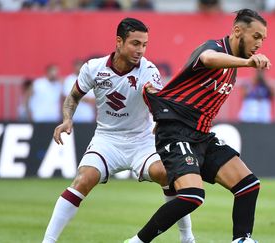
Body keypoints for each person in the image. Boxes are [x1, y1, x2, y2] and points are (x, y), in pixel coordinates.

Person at [42, 18, 195, 243]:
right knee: (83, 179)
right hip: (107, 139)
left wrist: (160, 118)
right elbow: (74, 96)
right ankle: (48, 241)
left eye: (144, 44)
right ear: (119, 42)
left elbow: (161, 105)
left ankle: (187, 238)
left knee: (166, 174)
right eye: (135, 43)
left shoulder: (149, 71)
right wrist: (67, 119)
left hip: (141, 140)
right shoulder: (94, 68)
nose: (140, 50)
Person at [125, 9, 271, 243]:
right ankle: (137, 241)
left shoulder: (232, 66)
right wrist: (247, 63)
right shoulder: (214, 48)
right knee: (193, 196)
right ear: (237, 31)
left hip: (201, 135)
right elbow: (207, 59)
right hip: (176, 132)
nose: (260, 43)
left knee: (248, 185)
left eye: (263, 38)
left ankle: (241, 239)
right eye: (256, 36)